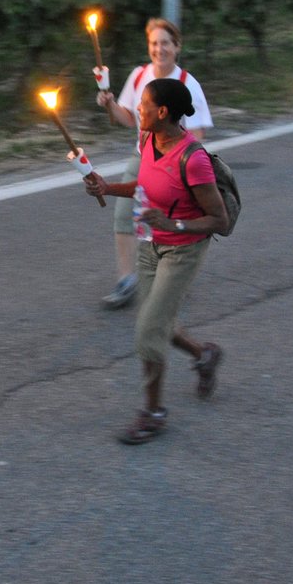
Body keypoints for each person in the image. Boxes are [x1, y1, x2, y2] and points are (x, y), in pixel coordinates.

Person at [82, 77, 229, 445]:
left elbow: (219, 220)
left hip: (183, 249)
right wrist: (107, 188)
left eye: (144, 104)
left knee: (148, 330)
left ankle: (153, 413)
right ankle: (204, 353)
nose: (138, 110)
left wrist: (172, 223)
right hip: (150, 245)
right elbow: (146, 186)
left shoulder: (193, 159)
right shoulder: (148, 140)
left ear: (162, 112)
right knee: (157, 321)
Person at [96, 18, 213, 308]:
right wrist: (109, 104)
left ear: (176, 47)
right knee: (125, 214)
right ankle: (127, 281)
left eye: (165, 43)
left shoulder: (187, 84)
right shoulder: (139, 76)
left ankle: (173, 278)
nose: (159, 49)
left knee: (167, 223)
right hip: (143, 157)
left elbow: (197, 135)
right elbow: (127, 118)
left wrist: (182, 169)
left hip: (176, 163)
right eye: (153, 43)